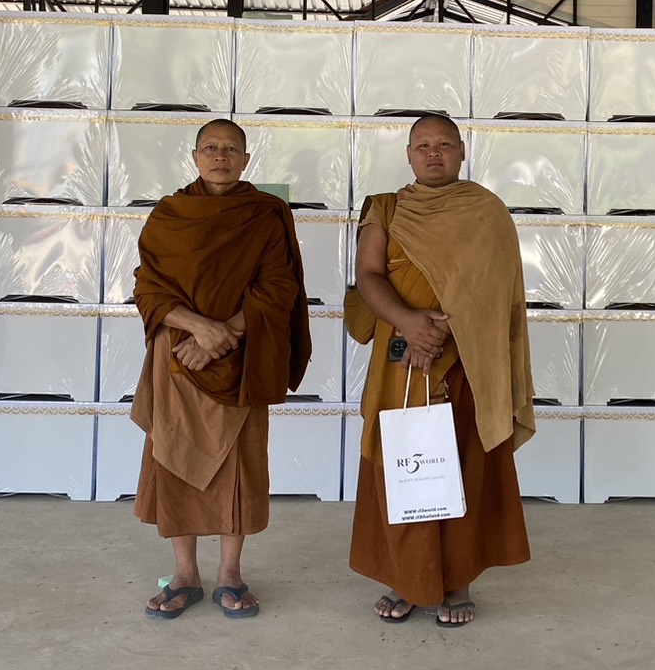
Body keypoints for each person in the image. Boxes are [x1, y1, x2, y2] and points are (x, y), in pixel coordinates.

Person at [348, 113, 534, 626]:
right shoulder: (385, 208)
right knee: (401, 463)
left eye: (445, 144)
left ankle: (458, 582)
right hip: (399, 358)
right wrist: (411, 323)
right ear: (409, 155)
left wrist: (445, 332)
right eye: (423, 145)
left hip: (467, 361)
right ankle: (404, 578)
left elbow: (497, 294)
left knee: (461, 465)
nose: (434, 153)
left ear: (462, 152)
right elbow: (368, 275)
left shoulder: (486, 212)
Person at [131, 118, 311, 619]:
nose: (220, 156)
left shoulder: (265, 214)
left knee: (239, 467)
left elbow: (278, 287)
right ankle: (185, 575)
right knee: (174, 458)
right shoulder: (170, 215)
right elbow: (147, 287)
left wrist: (221, 335)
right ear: (194, 157)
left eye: (231, 149)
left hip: (241, 355)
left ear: (246, 160)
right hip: (177, 357)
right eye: (210, 148)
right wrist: (197, 328)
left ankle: (230, 574)